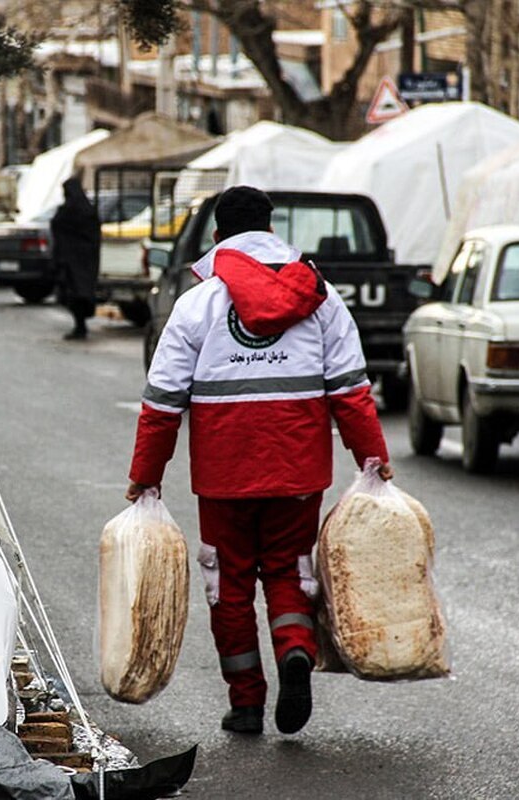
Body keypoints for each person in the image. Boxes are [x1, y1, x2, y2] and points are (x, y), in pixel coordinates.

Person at [124, 185, 392, 736]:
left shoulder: (198, 303)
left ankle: (246, 704)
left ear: (219, 237)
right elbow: (351, 391)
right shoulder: (320, 297)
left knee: (229, 584)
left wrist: (145, 479)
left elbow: (161, 404)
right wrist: (373, 460)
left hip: (225, 475)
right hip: (297, 471)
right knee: (290, 570)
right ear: (272, 232)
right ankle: (296, 648)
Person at [50, 177, 101, 340]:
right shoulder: (88, 210)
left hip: (72, 262)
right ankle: (81, 324)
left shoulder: (68, 212)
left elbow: (57, 226)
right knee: (80, 293)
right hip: (85, 262)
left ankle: (80, 326)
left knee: (74, 294)